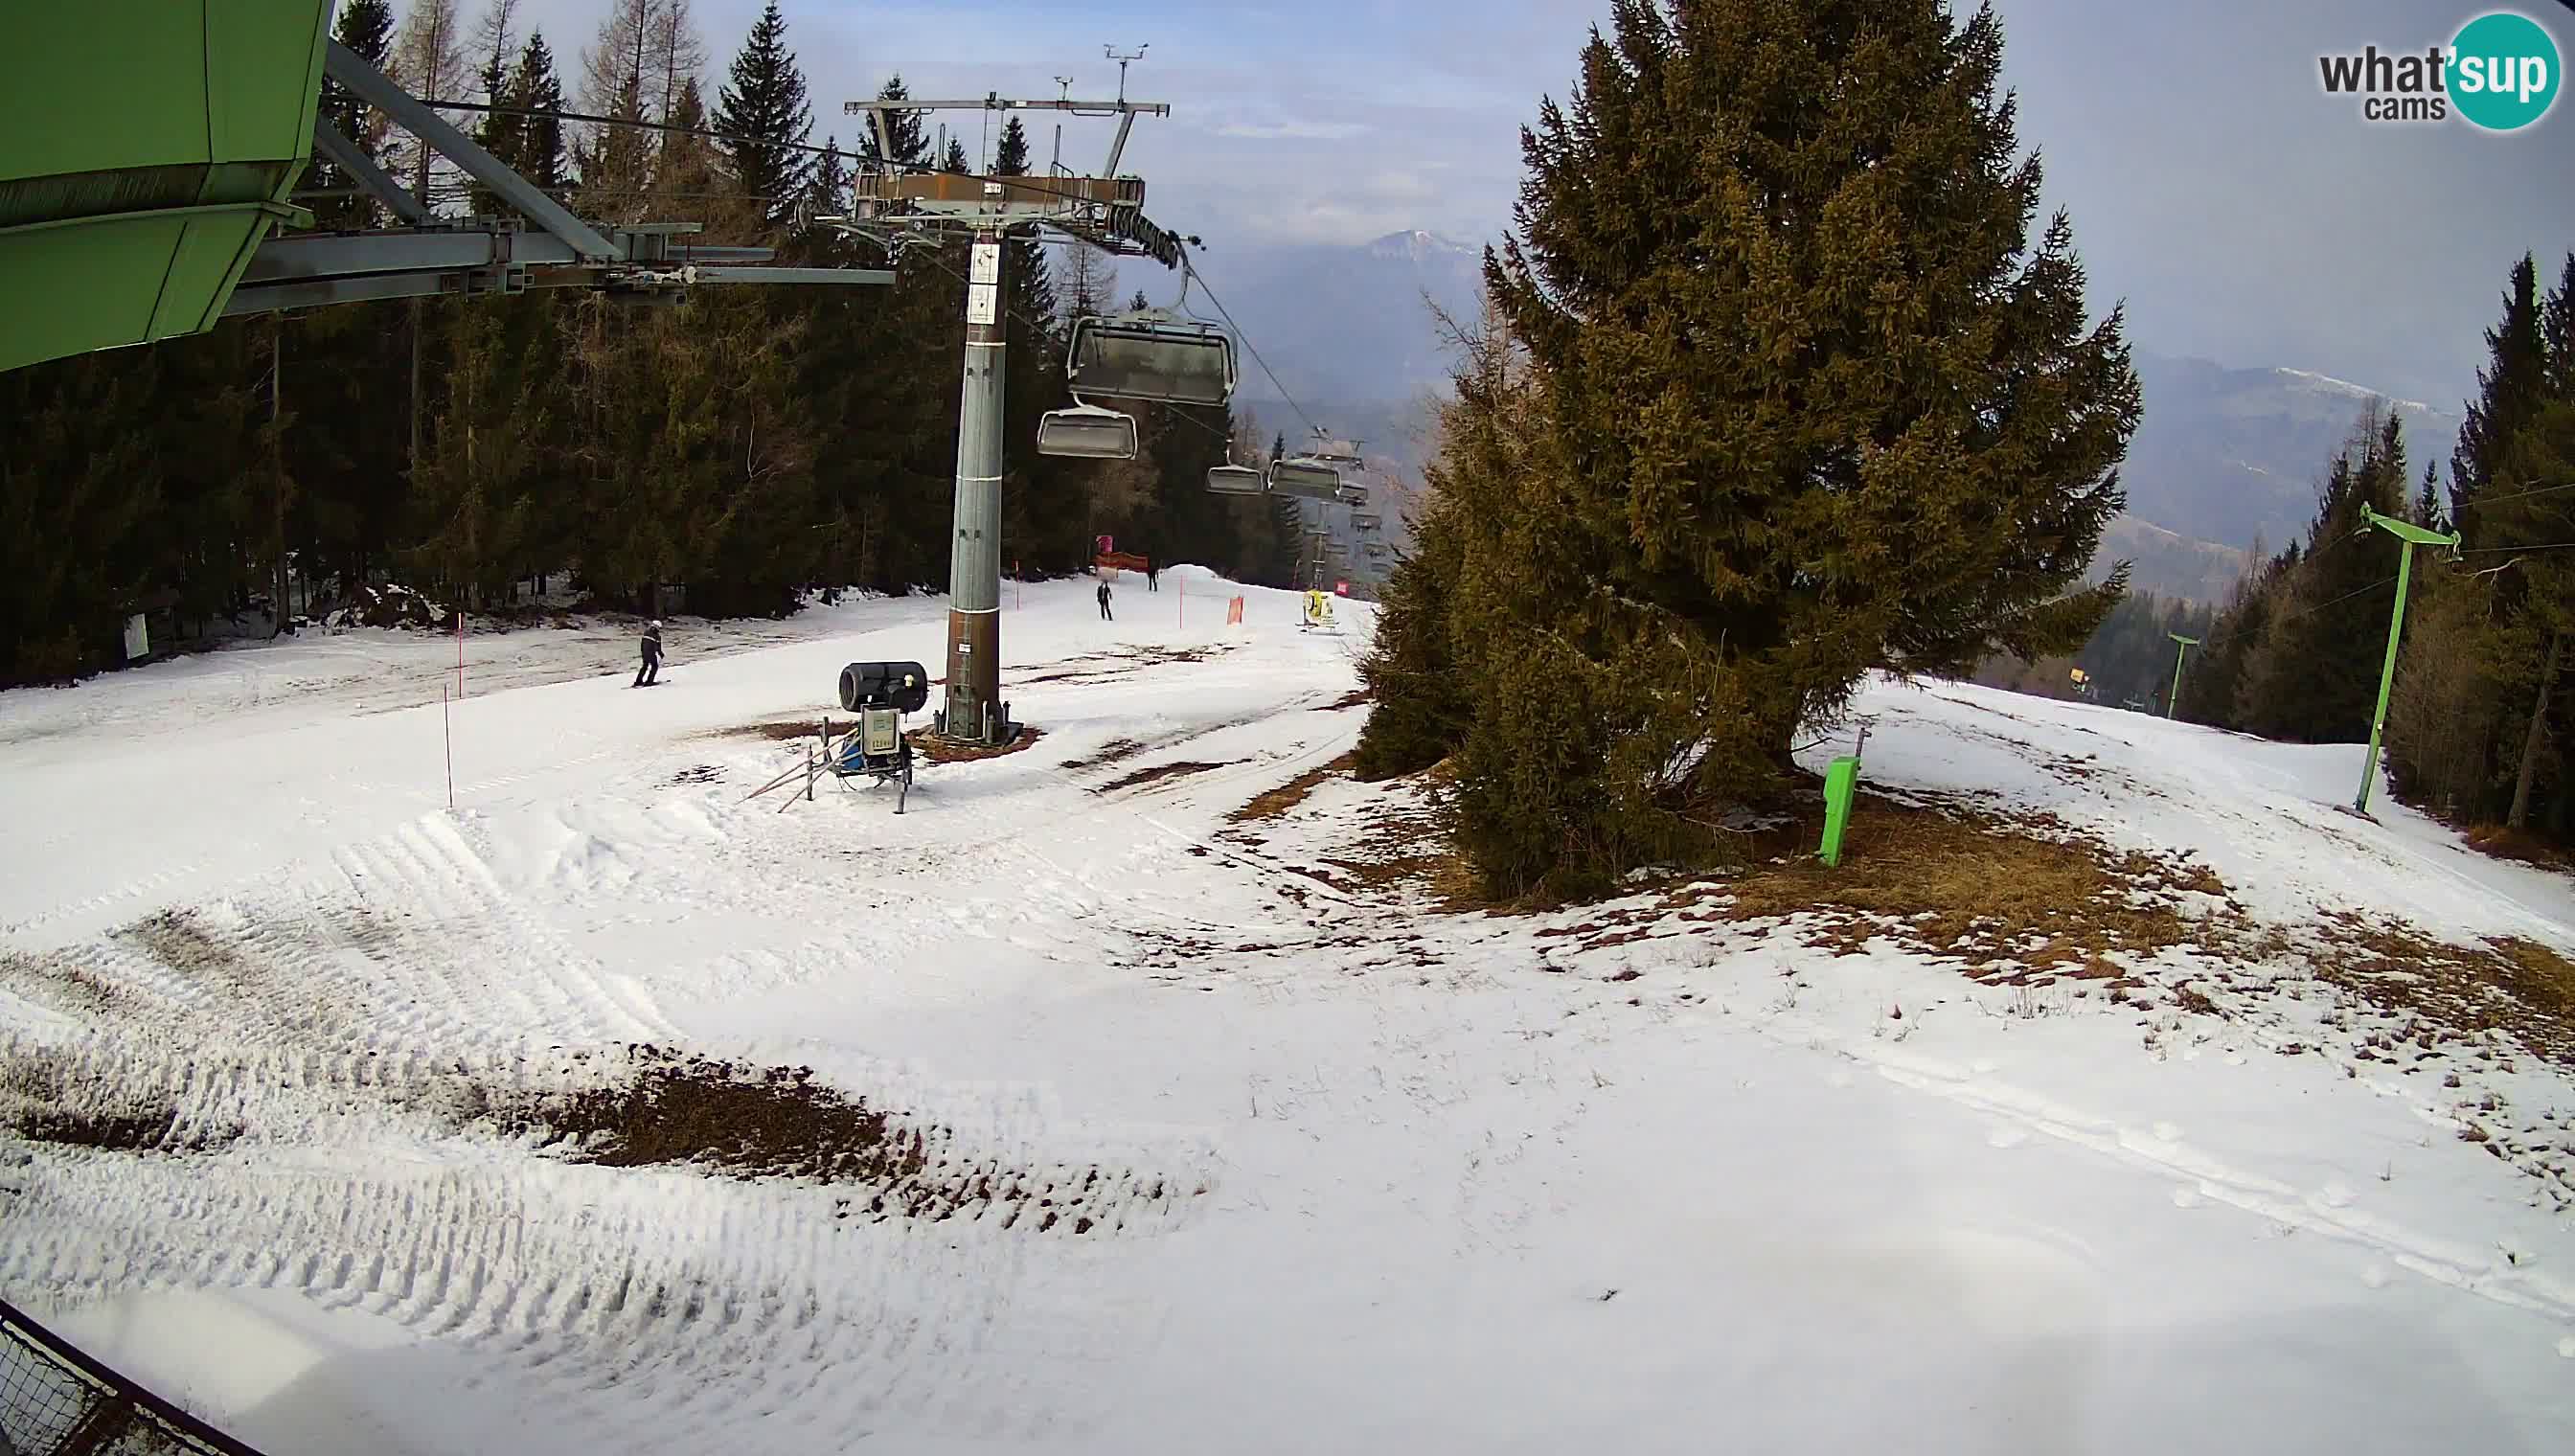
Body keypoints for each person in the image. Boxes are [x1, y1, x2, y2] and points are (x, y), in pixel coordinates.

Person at [634, 619, 663, 687]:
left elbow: (642, 643)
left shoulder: (646, 633)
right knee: (654, 666)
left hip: (644, 652)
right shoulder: (657, 636)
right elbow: (658, 647)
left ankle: (638, 681)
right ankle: (649, 681)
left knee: (645, 666)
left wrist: (642, 652)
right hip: (651, 653)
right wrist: (661, 654)